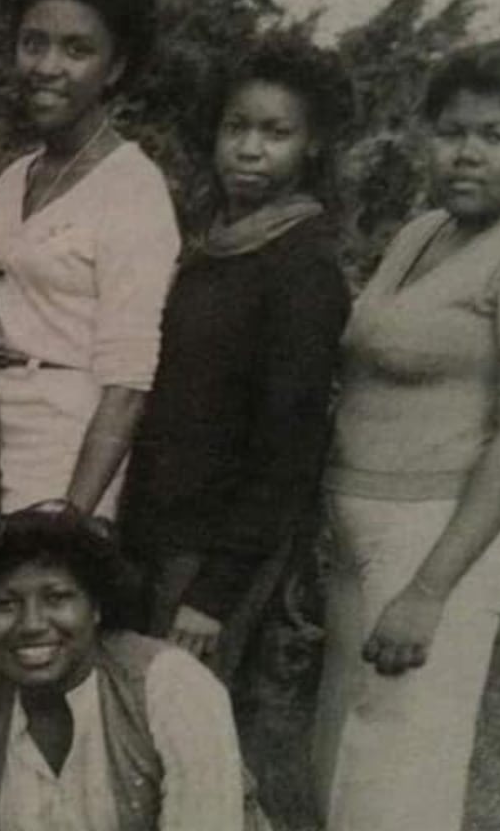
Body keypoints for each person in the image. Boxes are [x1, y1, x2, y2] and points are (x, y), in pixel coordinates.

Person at [314, 38, 500, 831]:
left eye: (496, 134)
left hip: (441, 541)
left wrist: (430, 589)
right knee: (341, 767)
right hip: (363, 535)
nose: (466, 153)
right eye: (450, 130)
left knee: (397, 789)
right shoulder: (423, 233)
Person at [120, 36, 353, 684]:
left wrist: (214, 594)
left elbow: (288, 449)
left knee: (189, 729)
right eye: (237, 127)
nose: (250, 149)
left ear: (312, 144)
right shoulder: (215, 244)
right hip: (159, 532)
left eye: (276, 132)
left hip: (214, 557)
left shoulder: (303, 268)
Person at [0, 0, 180, 518]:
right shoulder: (11, 179)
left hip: (64, 456)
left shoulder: (134, 190)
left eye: (76, 49)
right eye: (33, 42)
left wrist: (71, 519)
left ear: (114, 67)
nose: (46, 66)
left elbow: (127, 385)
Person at [0, 510, 247, 831]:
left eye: (57, 598)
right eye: (4, 605)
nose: (31, 624)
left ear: (97, 606)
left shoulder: (170, 684)